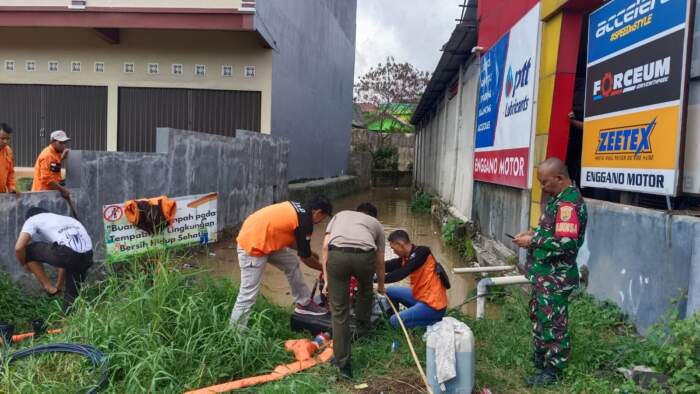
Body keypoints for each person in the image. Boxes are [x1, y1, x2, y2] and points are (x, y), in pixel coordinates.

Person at [512, 157, 587, 387]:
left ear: (559, 178)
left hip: (556, 277)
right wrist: (533, 232)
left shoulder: (569, 205)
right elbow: (552, 231)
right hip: (545, 276)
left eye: (545, 183)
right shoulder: (558, 200)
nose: (542, 187)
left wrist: (533, 240)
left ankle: (554, 370)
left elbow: (566, 242)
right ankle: (541, 358)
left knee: (554, 322)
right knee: (541, 315)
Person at [230, 196, 333, 328]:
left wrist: (308, 251)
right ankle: (234, 333)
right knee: (247, 295)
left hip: (261, 236)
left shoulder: (298, 207)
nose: (321, 221)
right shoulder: (305, 222)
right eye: (323, 218)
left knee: (291, 263)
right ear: (317, 212)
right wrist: (324, 268)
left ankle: (304, 303)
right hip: (253, 246)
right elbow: (305, 258)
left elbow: (288, 237)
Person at [321, 202, 385, 379]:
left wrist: (327, 280)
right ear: (373, 217)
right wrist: (381, 285)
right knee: (365, 290)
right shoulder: (376, 224)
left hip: (337, 256)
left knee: (339, 311)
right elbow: (380, 260)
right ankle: (362, 328)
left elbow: (326, 246)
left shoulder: (339, 215)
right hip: (364, 257)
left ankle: (343, 364)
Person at [15, 207, 94, 310]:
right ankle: (69, 320)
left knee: (28, 250)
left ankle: (48, 287)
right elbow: (65, 262)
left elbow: (18, 248)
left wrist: (24, 263)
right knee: (72, 295)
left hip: (67, 254)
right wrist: (58, 285)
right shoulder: (65, 220)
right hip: (87, 256)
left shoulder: (32, 219)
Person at [383, 230, 448, 329]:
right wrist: (371, 267)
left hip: (433, 305)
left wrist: (377, 279)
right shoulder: (408, 256)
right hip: (420, 297)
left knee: (394, 320)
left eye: (393, 248)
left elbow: (401, 274)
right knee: (390, 291)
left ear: (400, 244)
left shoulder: (422, 253)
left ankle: (432, 322)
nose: (393, 251)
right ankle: (400, 319)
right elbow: (389, 265)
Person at [31, 130, 70, 198]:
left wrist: (62, 158)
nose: (63, 145)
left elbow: (53, 167)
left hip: (49, 193)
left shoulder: (55, 153)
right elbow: (47, 180)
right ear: (53, 142)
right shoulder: (47, 155)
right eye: (61, 143)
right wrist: (63, 190)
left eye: (64, 143)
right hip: (41, 195)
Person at [0, 123, 17, 194]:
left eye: (7, 139)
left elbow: (10, 172)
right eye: (2, 138)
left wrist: (11, 186)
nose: (5, 141)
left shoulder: (8, 151)